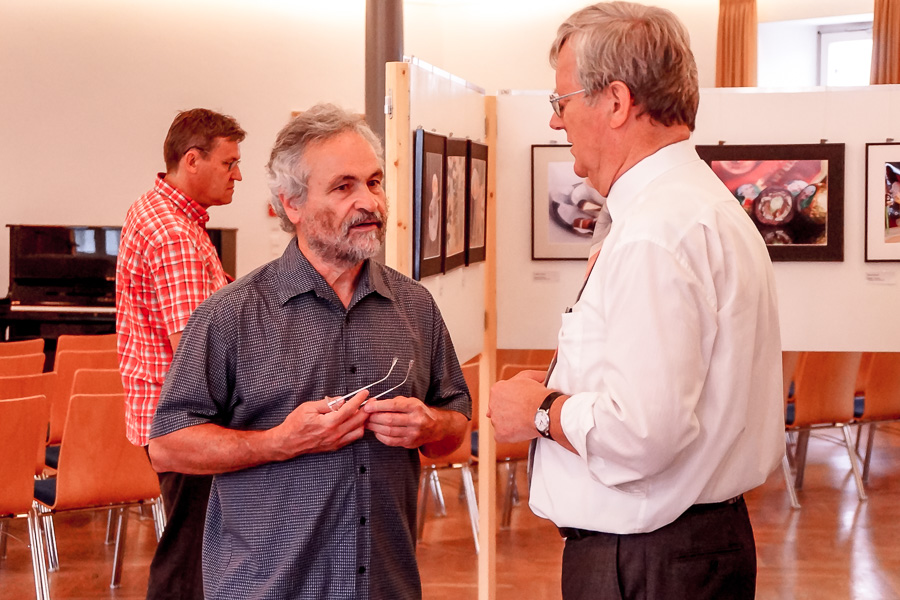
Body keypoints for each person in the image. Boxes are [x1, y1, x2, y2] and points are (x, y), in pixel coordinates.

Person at [488, 3, 784, 599]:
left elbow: (643, 433)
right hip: (683, 550)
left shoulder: (655, 232)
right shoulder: (696, 207)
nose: (555, 121)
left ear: (617, 101)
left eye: (561, 101)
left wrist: (539, 410)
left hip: (647, 562)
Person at [147, 103, 471, 600]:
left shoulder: (415, 306)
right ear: (292, 205)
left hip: (385, 587)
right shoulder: (229, 314)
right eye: (343, 187)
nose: (369, 202)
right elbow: (169, 445)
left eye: (375, 182)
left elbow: (454, 426)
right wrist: (278, 442)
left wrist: (430, 425)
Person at [116, 108, 245, 600]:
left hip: (169, 416)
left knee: (192, 553)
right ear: (193, 160)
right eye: (229, 162)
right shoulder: (173, 234)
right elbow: (195, 351)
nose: (237, 175)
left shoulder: (155, 209)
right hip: (187, 421)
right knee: (190, 561)